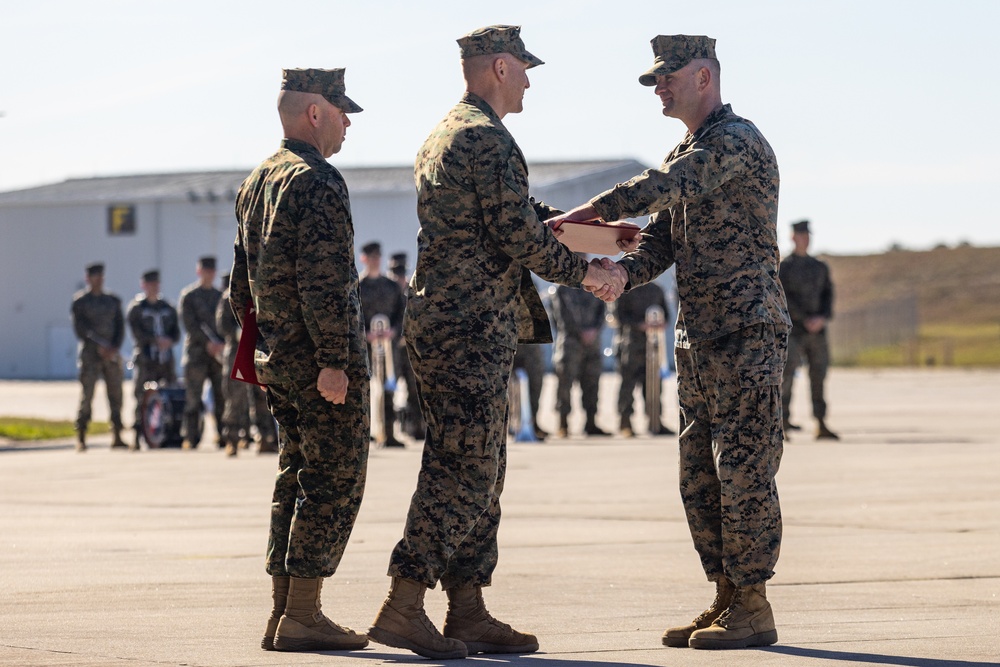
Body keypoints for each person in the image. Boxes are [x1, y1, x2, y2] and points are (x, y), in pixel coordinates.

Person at [366, 25, 623, 660]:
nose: (530, 80)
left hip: (460, 322)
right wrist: (586, 270)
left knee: (484, 464)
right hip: (467, 326)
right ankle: (404, 603)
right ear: (500, 67)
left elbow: (516, 215)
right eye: (525, 69)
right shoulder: (485, 137)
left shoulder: (448, 133)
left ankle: (468, 609)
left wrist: (579, 227)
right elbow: (518, 234)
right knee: (464, 467)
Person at [549, 34, 789, 650]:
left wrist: (587, 213)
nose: (659, 88)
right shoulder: (688, 149)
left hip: (745, 330)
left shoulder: (733, 143)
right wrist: (620, 273)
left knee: (744, 469)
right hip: (699, 335)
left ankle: (754, 602)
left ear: (704, 76)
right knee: (698, 474)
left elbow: (659, 188)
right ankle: (727, 594)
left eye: (668, 77)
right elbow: (662, 239)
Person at [230, 66, 369, 653]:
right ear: (316, 112)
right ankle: (305, 614)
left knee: (294, 476)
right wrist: (335, 360)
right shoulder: (316, 180)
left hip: (277, 358)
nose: (346, 126)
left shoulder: (258, 179)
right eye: (342, 114)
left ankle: (284, 611)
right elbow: (325, 281)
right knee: (333, 481)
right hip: (317, 363)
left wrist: (264, 345)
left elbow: (240, 287)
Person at [779, 219, 838, 440]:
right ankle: (782, 422)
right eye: (801, 236)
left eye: (807, 236)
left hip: (817, 331)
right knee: (786, 378)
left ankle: (821, 422)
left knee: (818, 375)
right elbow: (783, 298)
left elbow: (828, 295)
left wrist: (821, 318)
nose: (805, 240)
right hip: (794, 330)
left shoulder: (819, 267)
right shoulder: (785, 267)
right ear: (793, 237)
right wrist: (804, 319)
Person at [216, 273, 278, 456]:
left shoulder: (260, 295)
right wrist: (238, 332)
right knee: (235, 397)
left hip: (258, 350)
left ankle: (264, 438)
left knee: (262, 396)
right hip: (237, 352)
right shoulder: (229, 297)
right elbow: (222, 325)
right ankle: (232, 439)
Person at [71, 262, 126, 451]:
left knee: (116, 395)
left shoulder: (112, 300)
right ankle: (81, 435)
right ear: (88, 278)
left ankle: (117, 434)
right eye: (95, 276)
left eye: (101, 276)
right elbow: (81, 330)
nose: (99, 279)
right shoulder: (80, 302)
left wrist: (114, 347)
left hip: (111, 355)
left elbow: (120, 327)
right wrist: (98, 346)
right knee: (87, 395)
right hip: (90, 356)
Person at [358, 240, 406, 448]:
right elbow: (352, 315)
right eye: (371, 257)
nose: (375, 261)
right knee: (365, 389)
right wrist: (364, 334)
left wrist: (393, 331)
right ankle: (367, 432)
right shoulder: (358, 286)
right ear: (364, 259)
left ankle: (388, 433)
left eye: (378, 257)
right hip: (365, 346)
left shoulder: (391, 286)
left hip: (388, 345)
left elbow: (402, 314)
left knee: (389, 387)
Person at [613, 280, 676, 437]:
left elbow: (666, 314)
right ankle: (625, 423)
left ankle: (655, 421)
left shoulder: (656, 289)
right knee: (628, 384)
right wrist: (640, 325)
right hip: (631, 345)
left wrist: (661, 324)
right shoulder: (624, 289)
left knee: (654, 385)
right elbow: (618, 317)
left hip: (652, 345)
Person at [126, 269, 180, 450]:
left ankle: (166, 433)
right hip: (146, 358)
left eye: (156, 284)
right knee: (141, 396)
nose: (153, 288)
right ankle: (137, 435)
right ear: (143, 285)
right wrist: (154, 341)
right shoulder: (136, 308)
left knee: (169, 393)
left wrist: (168, 341)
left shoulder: (168, 307)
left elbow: (176, 333)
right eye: (150, 284)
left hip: (165, 359)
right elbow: (136, 333)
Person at [551, 280, 609, 437]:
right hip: (570, 344)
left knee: (592, 383)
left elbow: (603, 311)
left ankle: (591, 423)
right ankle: (563, 424)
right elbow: (559, 317)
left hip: (592, 344)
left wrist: (594, 330)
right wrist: (580, 332)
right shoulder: (562, 287)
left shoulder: (595, 284)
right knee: (565, 384)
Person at [178, 256, 224, 449]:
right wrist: (207, 343)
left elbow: (224, 323)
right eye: (205, 271)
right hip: (196, 353)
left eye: (211, 271)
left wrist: (220, 344)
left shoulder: (219, 296)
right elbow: (189, 324)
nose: (209, 275)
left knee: (221, 396)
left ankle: (223, 434)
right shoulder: (189, 295)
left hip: (217, 354)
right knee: (193, 399)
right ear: (199, 272)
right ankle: (190, 436)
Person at [388, 251, 424, 440]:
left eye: (401, 272)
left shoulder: (412, 290)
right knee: (390, 389)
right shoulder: (388, 290)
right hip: (393, 348)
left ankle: (417, 428)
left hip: (410, 347)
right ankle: (387, 431)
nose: (398, 276)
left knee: (415, 389)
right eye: (395, 272)